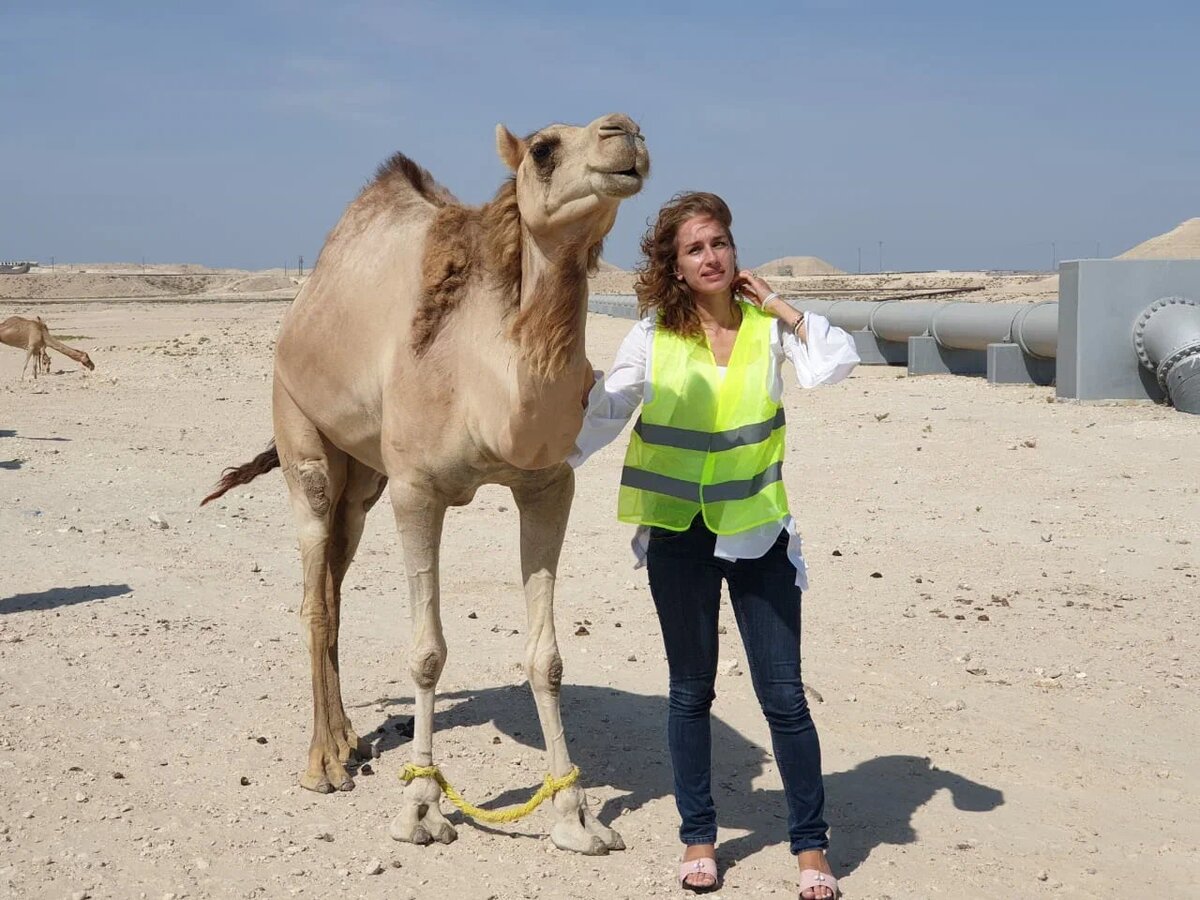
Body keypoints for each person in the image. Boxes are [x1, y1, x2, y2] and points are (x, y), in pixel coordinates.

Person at [570, 192, 858, 897]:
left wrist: (783, 304)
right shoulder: (651, 335)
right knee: (690, 692)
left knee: (784, 697)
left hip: (759, 534)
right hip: (678, 536)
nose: (711, 256)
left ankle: (810, 847)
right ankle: (698, 836)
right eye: (694, 247)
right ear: (673, 264)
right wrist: (550, 415)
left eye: (720, 243)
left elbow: (836, 361)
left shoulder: (769, 328)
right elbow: (605, 412)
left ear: (735, 253)